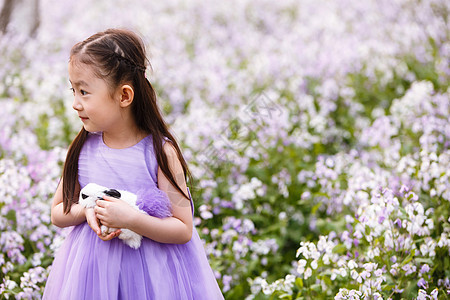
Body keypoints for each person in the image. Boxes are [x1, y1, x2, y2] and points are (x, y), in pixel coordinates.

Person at [43, 28, 224, 300]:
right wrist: (88, 208)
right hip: (91, 279)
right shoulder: (81, 148)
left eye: (84, 92)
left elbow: (183, 229)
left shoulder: (161, 152)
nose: (75, 104)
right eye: (73, 90)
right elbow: (59, 212)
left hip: (153, 279)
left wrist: (132, 220)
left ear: (124, 96)